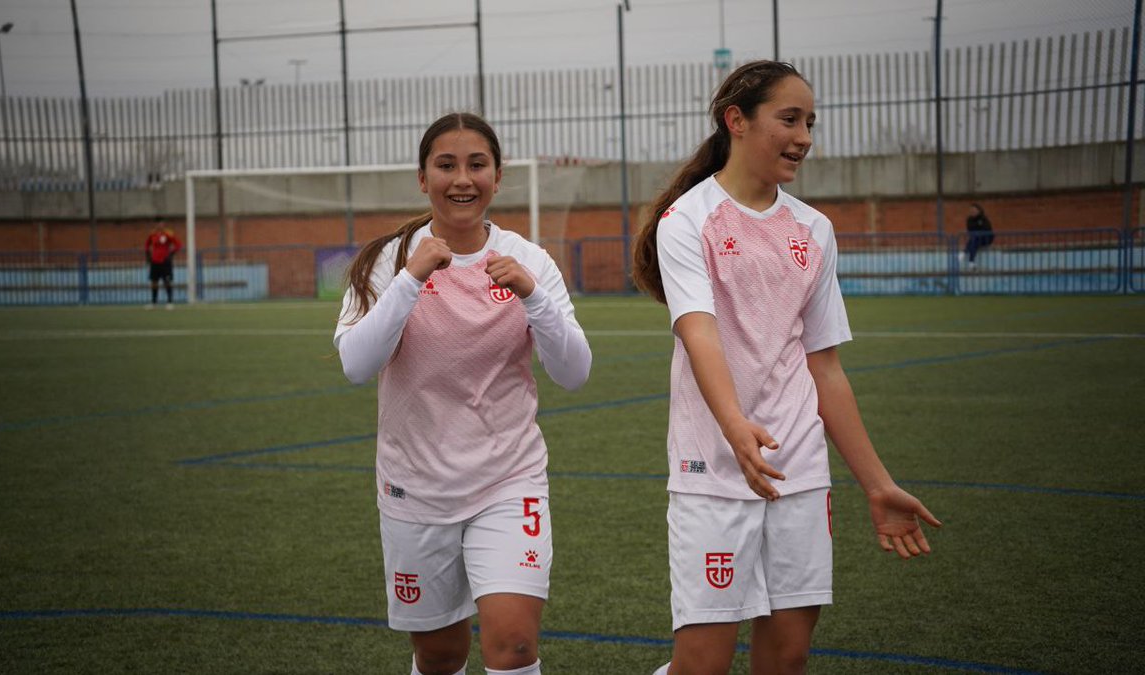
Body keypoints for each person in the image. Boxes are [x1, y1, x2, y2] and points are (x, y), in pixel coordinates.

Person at [631, 61, 942, 675]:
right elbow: (699, 331)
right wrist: (735, 427)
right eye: (790, 119)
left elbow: (825, 367)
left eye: (810, 123)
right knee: (703, 664)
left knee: (788, 657)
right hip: (712, 469)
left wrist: (877, 484)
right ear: (737, 120)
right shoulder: (687, 220)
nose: (803, 137)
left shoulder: (813, 228)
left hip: (798, 467)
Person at [333, 112, 591, 675]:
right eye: (446, 165)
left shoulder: (530, 261)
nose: (462, 179)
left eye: (477, 165)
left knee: (514, 644)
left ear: (498, 176)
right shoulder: (388, 261)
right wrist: (410, 280)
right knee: (440, 655)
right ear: (422, 178)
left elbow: (573, 371)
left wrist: (533, 298)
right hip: (415, 489)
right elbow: (356, 364)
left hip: (509, 480)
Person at [145, 217, 182, 308]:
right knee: (154, 282)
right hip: (154, 261)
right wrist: (148, 255)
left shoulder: (168, 233)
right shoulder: (152, 234)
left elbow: (178, 244)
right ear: (155, 224)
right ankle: (154, 302)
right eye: (158, 223)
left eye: (162, 223)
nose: (160, 225)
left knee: (167, 281)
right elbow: (147, 245)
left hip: (165, 261)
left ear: (164, 224)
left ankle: (170, 302)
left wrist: (171, 253)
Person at [963, 203, 995, 270]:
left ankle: (964, 252)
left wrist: (978, 231)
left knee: (974, 238)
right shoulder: (969, 219)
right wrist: (977, 228)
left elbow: (987, 229)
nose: (973, 212)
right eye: (971, 210)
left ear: (979, 210)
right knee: (974, 241)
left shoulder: (983, 218)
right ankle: (971, 263)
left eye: (974, 210)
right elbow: (970, 229)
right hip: (976, 239)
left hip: (986, 238)